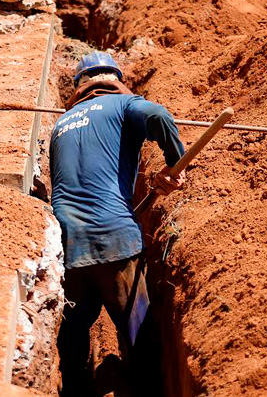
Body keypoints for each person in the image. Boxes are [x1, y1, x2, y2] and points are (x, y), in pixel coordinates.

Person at [51, 51, 185, 397]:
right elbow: (156, 114)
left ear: (80, 86)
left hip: (68, 245)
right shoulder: (124, 107)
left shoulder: (59, 125)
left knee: (72, 339)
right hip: (115, 240)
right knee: (139, 335)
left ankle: (77, 388)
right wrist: (175, 164)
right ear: (116, 82)